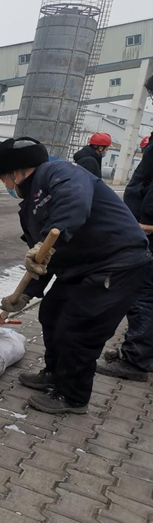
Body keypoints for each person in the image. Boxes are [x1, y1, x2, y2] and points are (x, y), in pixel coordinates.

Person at [0, 137, 151, 414]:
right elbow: (44, 259)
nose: (6, 185)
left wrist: (56, 232)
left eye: (4, 177)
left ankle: (73, 396)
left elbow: (73, 202)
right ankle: (55, 373)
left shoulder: (60, 173)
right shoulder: (29, 208)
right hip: (82, 265)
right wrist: (26, 294)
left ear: (16, 171)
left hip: (116, 261)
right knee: (51, 313)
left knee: (80, 327)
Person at [96, 82, 153, 381]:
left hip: (148, 230)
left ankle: (135, 360)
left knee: (143, 293)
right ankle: (141, 351)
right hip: (143, 224)